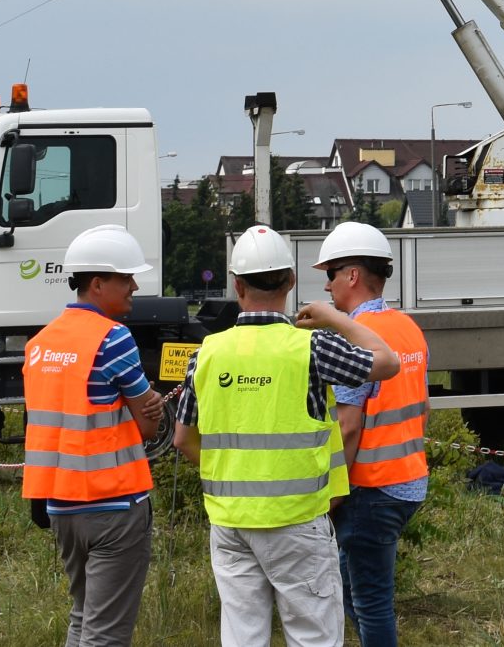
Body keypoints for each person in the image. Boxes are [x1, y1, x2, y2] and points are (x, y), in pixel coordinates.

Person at [177, 225, 398, 647]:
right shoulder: (311, 348)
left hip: (230, 523)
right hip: (297, 522)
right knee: (312, 635)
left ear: (236, 284)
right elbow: (386, 362)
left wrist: (235, 475)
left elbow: (183, 438)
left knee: (242, 636)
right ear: (291, 281)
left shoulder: (205, 354)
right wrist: (336, 318)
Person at [22, 224, 166, 647]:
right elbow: (147, 424)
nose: (135, 286)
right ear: (98, 284)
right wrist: (152, 410)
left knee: (83, 618)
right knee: (106, 633)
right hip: (114, 505)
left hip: (62, 507)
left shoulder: (41, 344)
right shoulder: (114, 338)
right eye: (126, 278)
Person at [317, 222, 427, 647]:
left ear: (352, 276)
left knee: (370, 601)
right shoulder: (407, 327)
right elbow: (423, 408)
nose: (326, 287)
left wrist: (334, 494)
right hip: (409, 481)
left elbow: (348, 425)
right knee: (357, 589)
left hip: (370, 488)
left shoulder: (355, 340)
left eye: (329, 274)